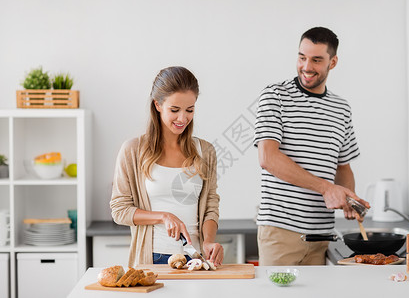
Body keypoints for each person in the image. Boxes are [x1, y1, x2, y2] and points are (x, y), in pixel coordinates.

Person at [253, 27, 370, 266]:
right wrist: (327, 189)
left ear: (333, 62)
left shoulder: (341, 109)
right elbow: (268, 158)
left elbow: (343, 167)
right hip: (281, 232)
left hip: (321, 236)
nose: (306, 66)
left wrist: (349, 199)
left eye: (316, 60)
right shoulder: (275, 96)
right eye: (301, 57)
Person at [110, 66, 224, 268]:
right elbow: (120, 210)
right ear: (158, 105)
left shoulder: (205, 151)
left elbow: (211, 208)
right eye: (175, 110)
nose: (183, 119)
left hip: (195, 260)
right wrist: (163, 217)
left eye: (190, 110)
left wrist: (208, 241)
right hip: (152, 258)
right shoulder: (132, 151)